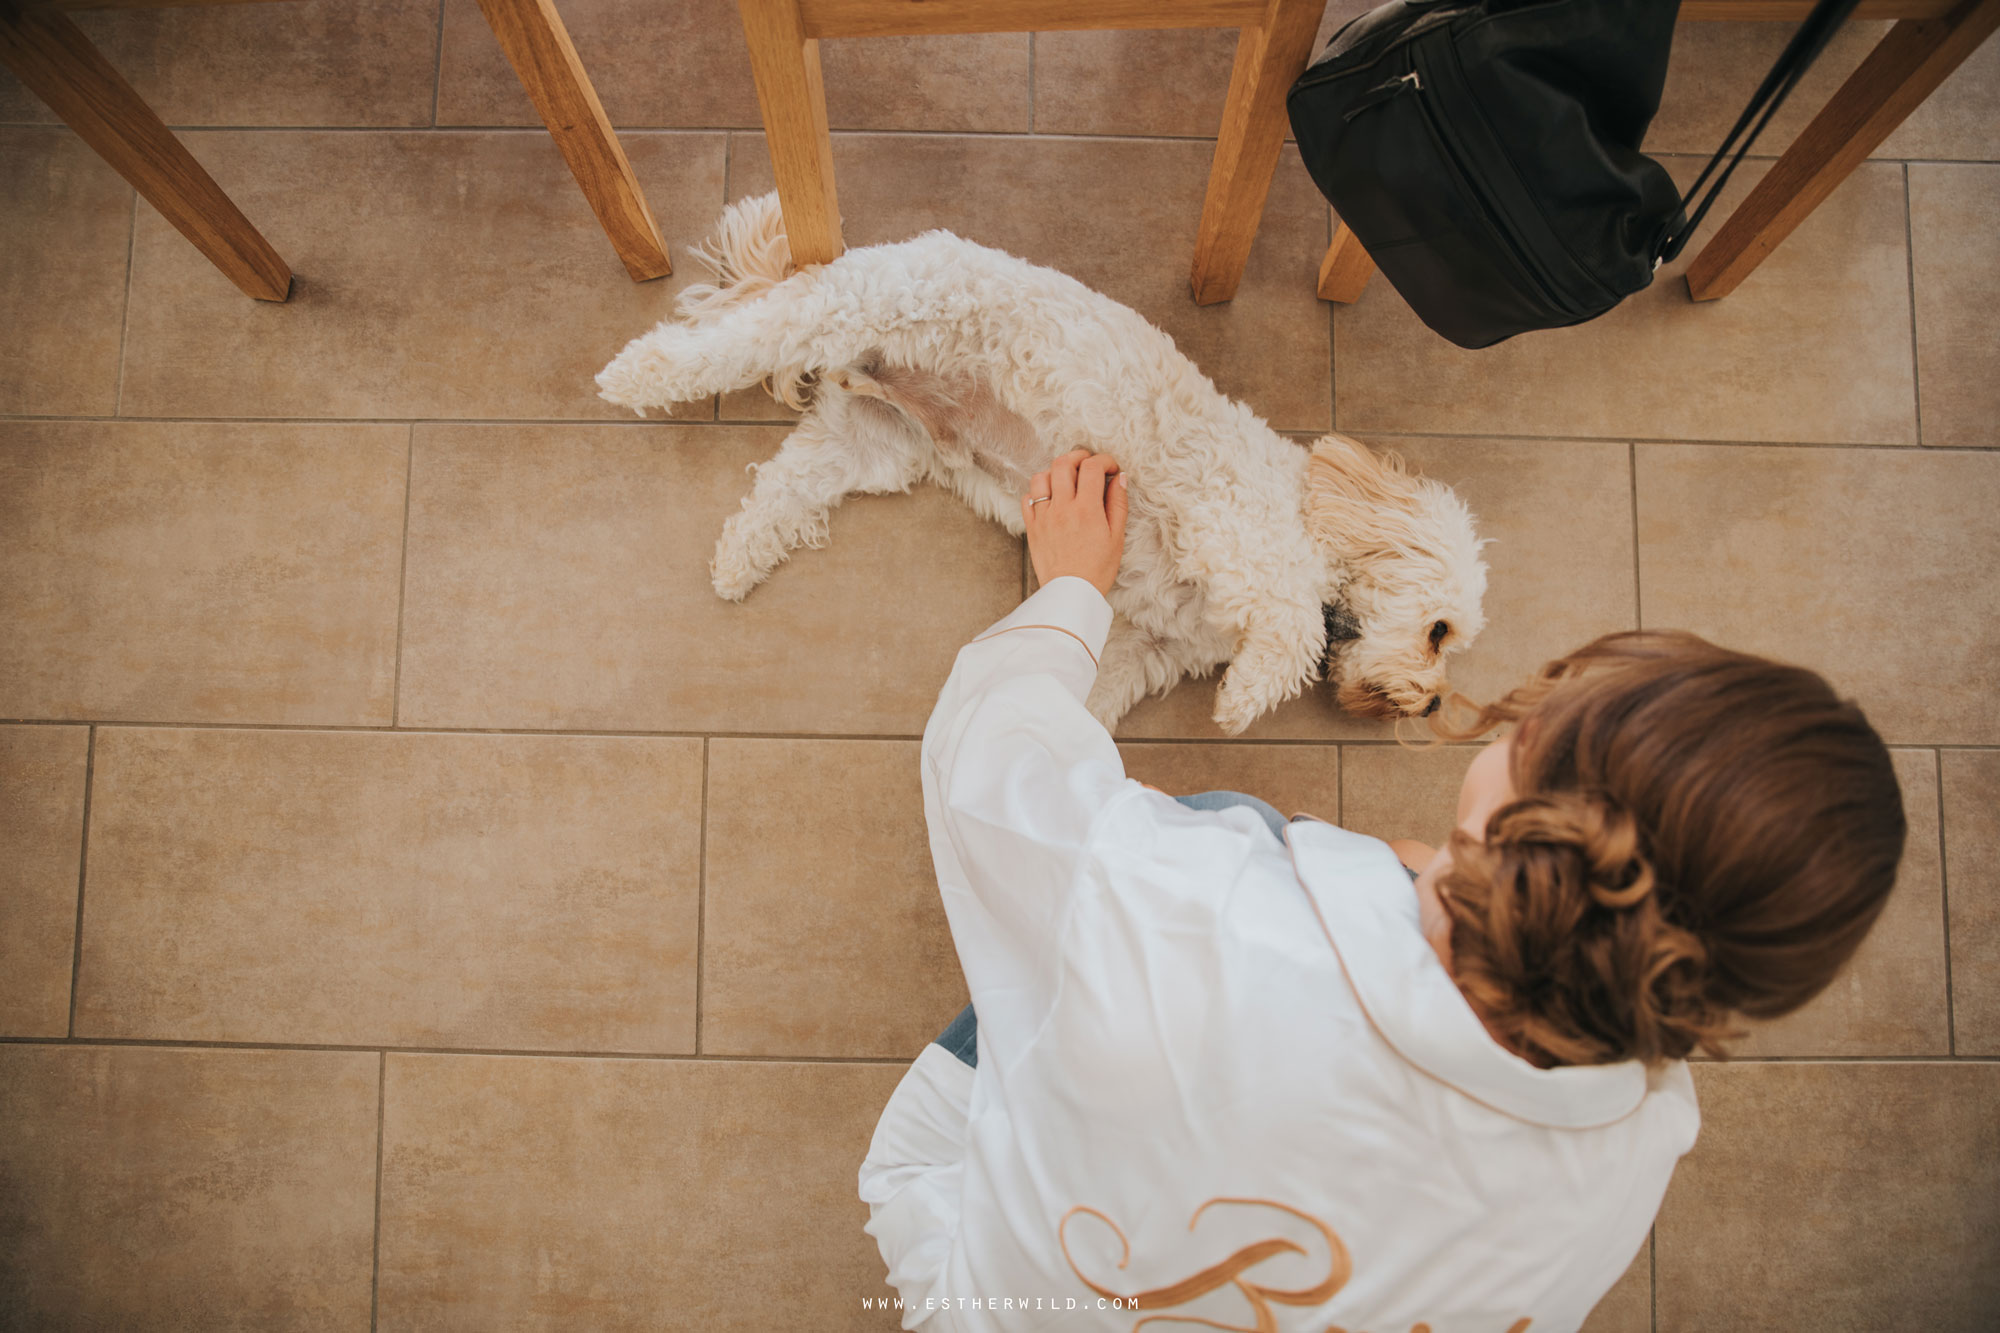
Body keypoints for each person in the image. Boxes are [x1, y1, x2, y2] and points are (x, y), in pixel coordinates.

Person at [860, 450, 1906, 1332]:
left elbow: (988, 766)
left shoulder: (1186, 902)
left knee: (1230, 824)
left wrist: (1069, 590)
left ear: (1527, 793)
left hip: (987, 1276)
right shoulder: (1626, 1164)